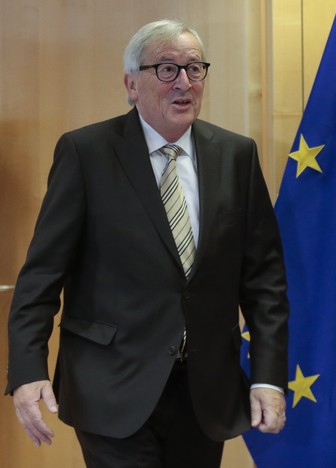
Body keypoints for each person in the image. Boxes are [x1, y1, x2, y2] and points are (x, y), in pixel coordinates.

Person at [5, 19, 289, 467]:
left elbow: (265, 282)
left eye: (195, 69)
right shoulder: (87, 153)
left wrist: (268, 377)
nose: (185, 83)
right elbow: (41, 275)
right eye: (167, 69)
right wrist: (27, 371)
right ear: (131, 84)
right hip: (110, 386)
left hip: (204, 390)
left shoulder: (237, 155)